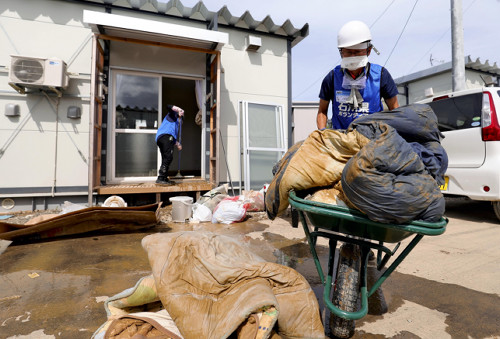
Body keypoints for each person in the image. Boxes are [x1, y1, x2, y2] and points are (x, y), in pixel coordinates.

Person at [317, 20, 400, 130]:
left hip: (373, 140)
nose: (352, 56)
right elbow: (322, 111)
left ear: (368, 50)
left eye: (356, 52)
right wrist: (322, 134)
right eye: (348, 52)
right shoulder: (332, 77)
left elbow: (395, 110)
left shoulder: (381, 75)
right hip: (341, 140)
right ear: (341, 52)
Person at [155, 104, 184, 185]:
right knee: (168, 157)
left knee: (166, 157)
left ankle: (163, 177)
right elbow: (168, 107)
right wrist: (178, 109)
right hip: (165, 136)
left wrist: (177, 143)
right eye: (180, 117)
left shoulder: (175, 125)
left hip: (162, 138)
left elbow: (173, 137)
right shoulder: (172, 116)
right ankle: (161, 178)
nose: (180, 120)